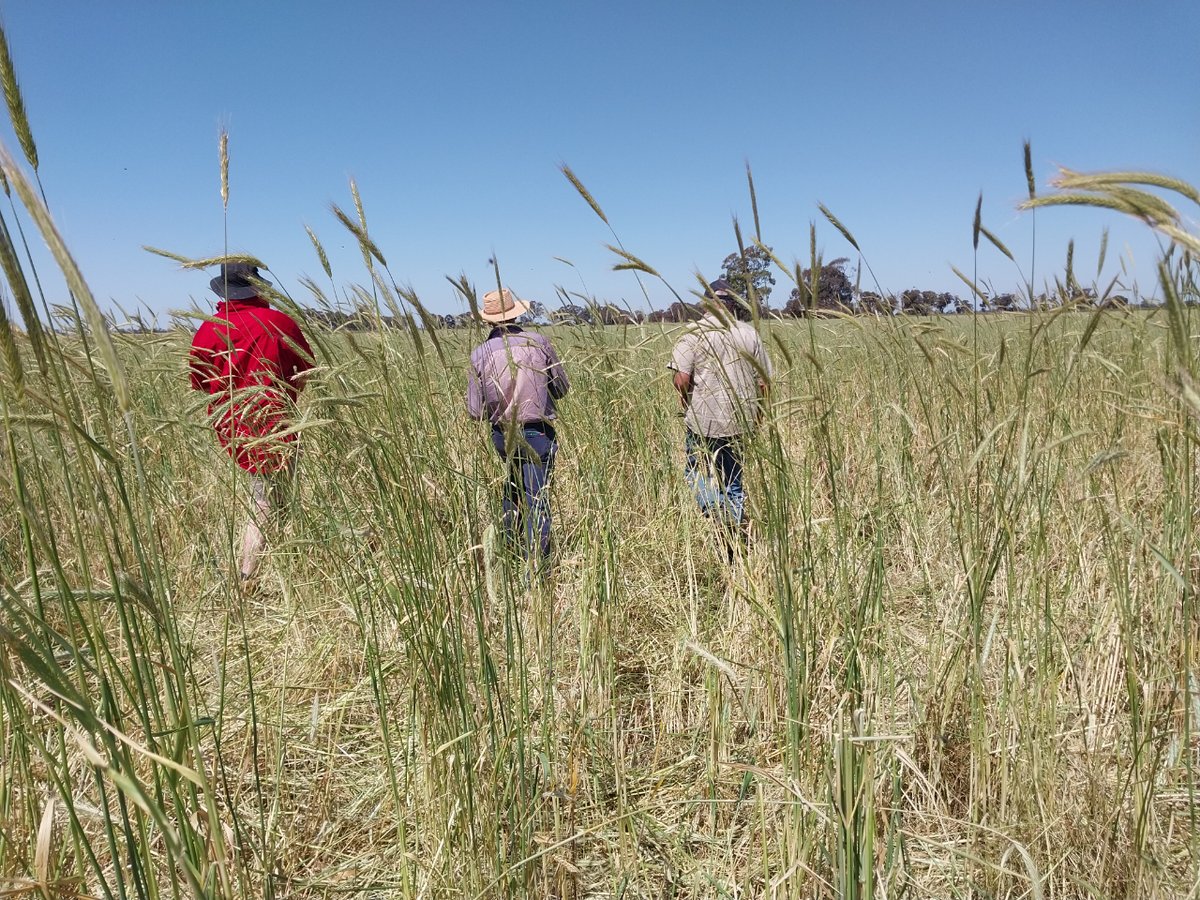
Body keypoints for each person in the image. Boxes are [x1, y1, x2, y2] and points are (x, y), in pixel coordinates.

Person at [189, 262, 314, 582]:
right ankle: (248, 576)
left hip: (230, 429)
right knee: (265, 500)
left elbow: (201, 384)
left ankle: (283, 558)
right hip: (276, 425)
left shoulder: (207, 329)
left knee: (271, 494)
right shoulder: (280, 322)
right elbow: (306, 371)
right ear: (257, 287)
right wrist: (284, 393)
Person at [466, 287, 569, 563]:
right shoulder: (539, 342)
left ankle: (509, 550)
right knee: (537, 499)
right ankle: (537, 570)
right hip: (536, 433)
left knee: (512, 490)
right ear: (515, 314)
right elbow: (561, 388)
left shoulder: (480, 354)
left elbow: (475, 411)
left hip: (502, 436)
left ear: (488, 319)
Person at [668, 278, 771, 531]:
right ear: (733, 304)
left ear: (706, 303)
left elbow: (681, 379)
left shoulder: (693, 333)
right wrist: (757, 417)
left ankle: (713, 510)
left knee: (695, 473)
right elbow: (764, 384)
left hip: (703, 421)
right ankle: (732, 533)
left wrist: (683, 392)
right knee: (733, 482)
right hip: (740, 421)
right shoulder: (750, 334)